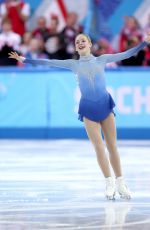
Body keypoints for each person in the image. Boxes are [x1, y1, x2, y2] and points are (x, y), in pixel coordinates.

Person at [8, 32, 150, 200]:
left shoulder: (102, 59)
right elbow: (48, 62)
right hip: (88, 108)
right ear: (76, 47)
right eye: (77, 42)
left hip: (105, 104)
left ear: (90, 43)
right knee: (99, 148)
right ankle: (109, 182)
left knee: (112, 147)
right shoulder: (73, 64)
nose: (80, 43)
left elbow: (126, 54)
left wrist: (144, 44)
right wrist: (25, 60)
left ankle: (121, 183)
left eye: (83, 40)